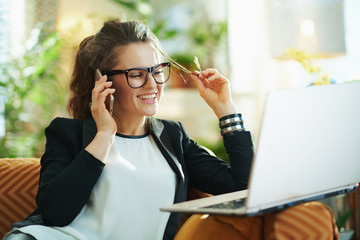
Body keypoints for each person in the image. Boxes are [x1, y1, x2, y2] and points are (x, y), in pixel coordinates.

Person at [3, 18, 253, 240]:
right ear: (104, 81)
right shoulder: (67, 133)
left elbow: (244, 187)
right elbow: (55, 213)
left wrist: (225, 109)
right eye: (136, 74)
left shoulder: (173, 137)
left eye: (157, 71)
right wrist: (104, 135)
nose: (152, 84)